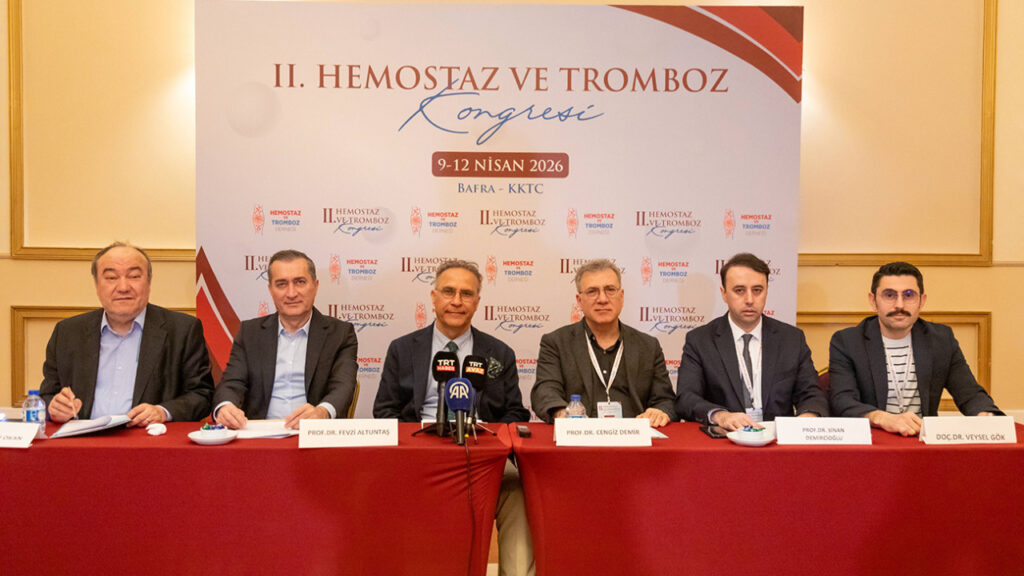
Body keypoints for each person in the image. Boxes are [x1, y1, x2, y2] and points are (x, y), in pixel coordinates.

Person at [372, 259, 533, 576]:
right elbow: (385, 411)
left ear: (477, 302)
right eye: (448, 292)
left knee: (517, 491)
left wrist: (489, 438)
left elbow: (515, 413)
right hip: (419, 456)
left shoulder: (499, 353)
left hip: (483, 457)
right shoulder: (403, 349)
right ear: (433, 298)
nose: (457, 301)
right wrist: (415, 443)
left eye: (466, 293)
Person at [41, 242, 214, 425]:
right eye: (111, 277)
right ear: (96, 284)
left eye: (134, 276)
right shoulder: (68, 332)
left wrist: (162, 412)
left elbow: (202, 396)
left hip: (148, 438)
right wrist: (55, 407)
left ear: (148, 282)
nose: (123, 287)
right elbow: (47, 395)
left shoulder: (182, 330)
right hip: (84, 438)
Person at [829, 261, 1000, 436]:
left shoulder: (941, 339)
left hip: (922, 440)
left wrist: (985, 415)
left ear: (921, 301)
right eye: (889, 295)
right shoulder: (848, 342)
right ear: (873, 301)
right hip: (874, 439)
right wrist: (882, 418)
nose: (899, 305)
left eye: (909, 295)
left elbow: (969, 393)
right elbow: (842, 400)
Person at [675, 253, 827, 428]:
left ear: (766, 291)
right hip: (725, 437)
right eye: (739, 290)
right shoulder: (700, 340)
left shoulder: (791, 339)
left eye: (757, 290)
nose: (749, 300)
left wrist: (807, 417)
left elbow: (812, 394)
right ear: (724, 294)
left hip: (776, 438)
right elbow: (686, 398)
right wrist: (720, 416)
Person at [214, 249, 358, 430]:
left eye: (300, 282)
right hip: (259, 434)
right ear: (270, 290)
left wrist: (322, 412)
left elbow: (343, 385)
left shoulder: (340, 334)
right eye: (281, 284)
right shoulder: (249, 333)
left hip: (314, 433)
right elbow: (232, 383)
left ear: (315, 286)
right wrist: (225, 407)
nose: (291, 293)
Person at [532, 259, 674, 426]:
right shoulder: (556, 343)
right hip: (580, 435)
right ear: (579, 301)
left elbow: (665, 399)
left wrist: (659, 411)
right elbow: (545, 391)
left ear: (621, 296)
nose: (602, 299)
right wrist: (562, 413)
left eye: (610, 290)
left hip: (634, 436)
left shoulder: (648, 346)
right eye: (592, 291)